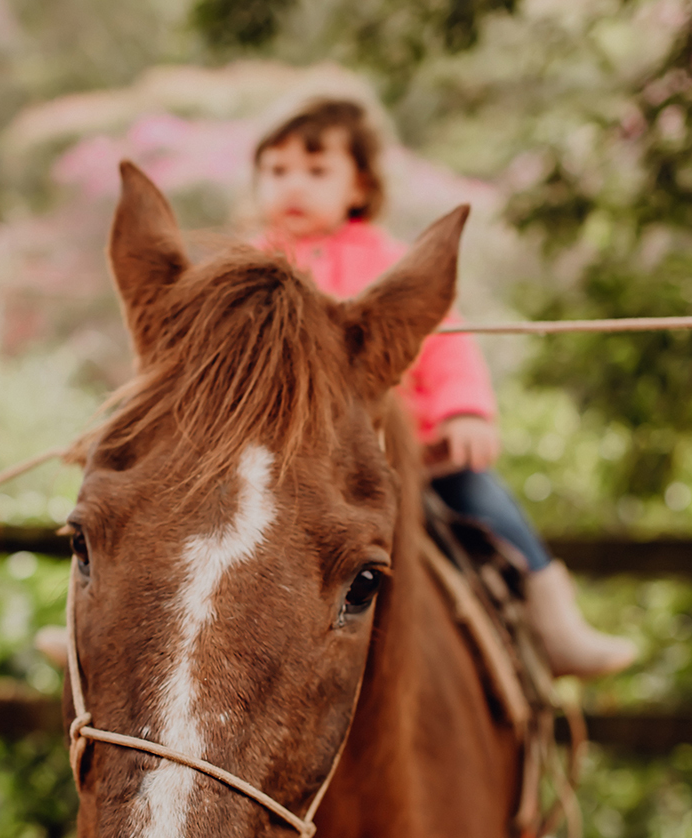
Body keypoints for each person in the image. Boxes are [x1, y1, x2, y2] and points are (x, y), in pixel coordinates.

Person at [251, 97, 636, 679]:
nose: (292, 187)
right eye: (276, 172)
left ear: (359, 186)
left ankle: (554, 621)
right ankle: (110, 630)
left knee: (484, 500)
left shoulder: (390, 262)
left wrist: (465, 413)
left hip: (417, 456)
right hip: (293, 461)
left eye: (315, 170)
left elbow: (449, 341)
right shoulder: (253, 270)